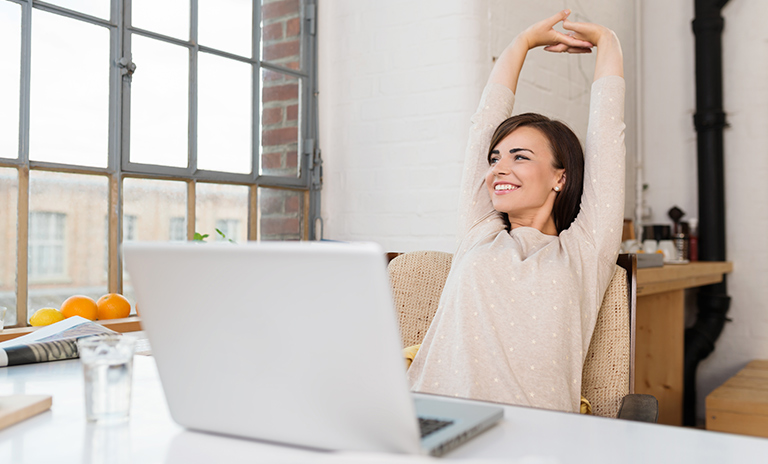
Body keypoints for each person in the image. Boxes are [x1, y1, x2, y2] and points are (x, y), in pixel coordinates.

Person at [406, 10, 625, 413]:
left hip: (535, 438)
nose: (498, 169)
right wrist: (520, 43)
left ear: (560, 177)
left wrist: (608, 42)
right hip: (430, 419)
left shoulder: (584, 252)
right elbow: (482, 126)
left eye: (519, 157)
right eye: (494, 159)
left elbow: (608, 138)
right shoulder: (479, 232)